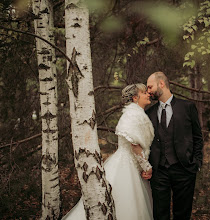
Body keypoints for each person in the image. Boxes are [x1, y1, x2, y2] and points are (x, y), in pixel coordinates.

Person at [63, 84, 154, 220]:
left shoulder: (135, 113)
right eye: (144, 92)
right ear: (135, 97)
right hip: (127, 167)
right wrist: (146, 166)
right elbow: (134, 144)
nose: (148, 94)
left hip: (132, 165)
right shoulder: (132, 115)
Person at [144, 71, 203, 220]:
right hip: (159, 172)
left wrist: (196, 163)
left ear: (161, 84)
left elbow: (198, 137)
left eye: (150, 87)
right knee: (159, 214)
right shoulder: (149, 112)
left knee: (182, 214)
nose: (148, 91)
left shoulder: (187, 107)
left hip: (184, 169)